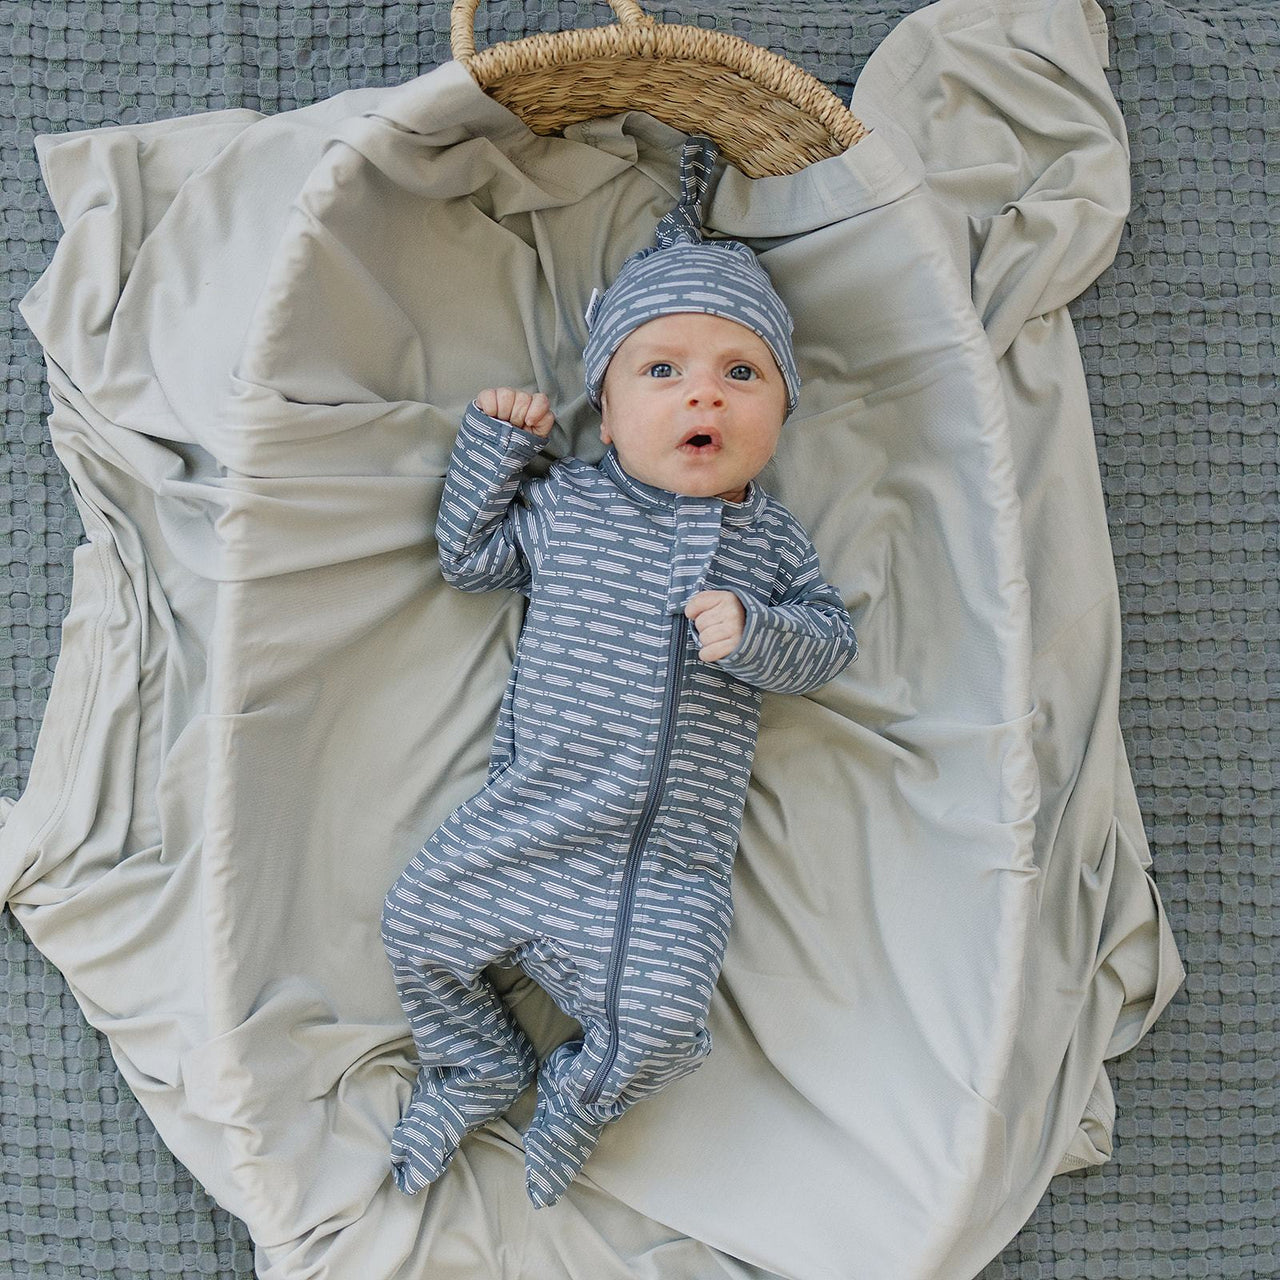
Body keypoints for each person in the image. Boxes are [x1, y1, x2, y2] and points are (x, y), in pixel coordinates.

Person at [381, 138, 859, 1209]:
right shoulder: (567, 507)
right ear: (604, 399)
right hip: (528, 820)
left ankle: (579, 1091)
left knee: (661, 1022)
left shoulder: (766, 542)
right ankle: (475, 1061)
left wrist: (755, 631)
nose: (706, 396)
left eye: (742, 373)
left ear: (782, 408)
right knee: (415, 921)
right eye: (663, 370)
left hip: (659, 868)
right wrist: (494, 454)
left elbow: (829, 640)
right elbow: (469, 558)